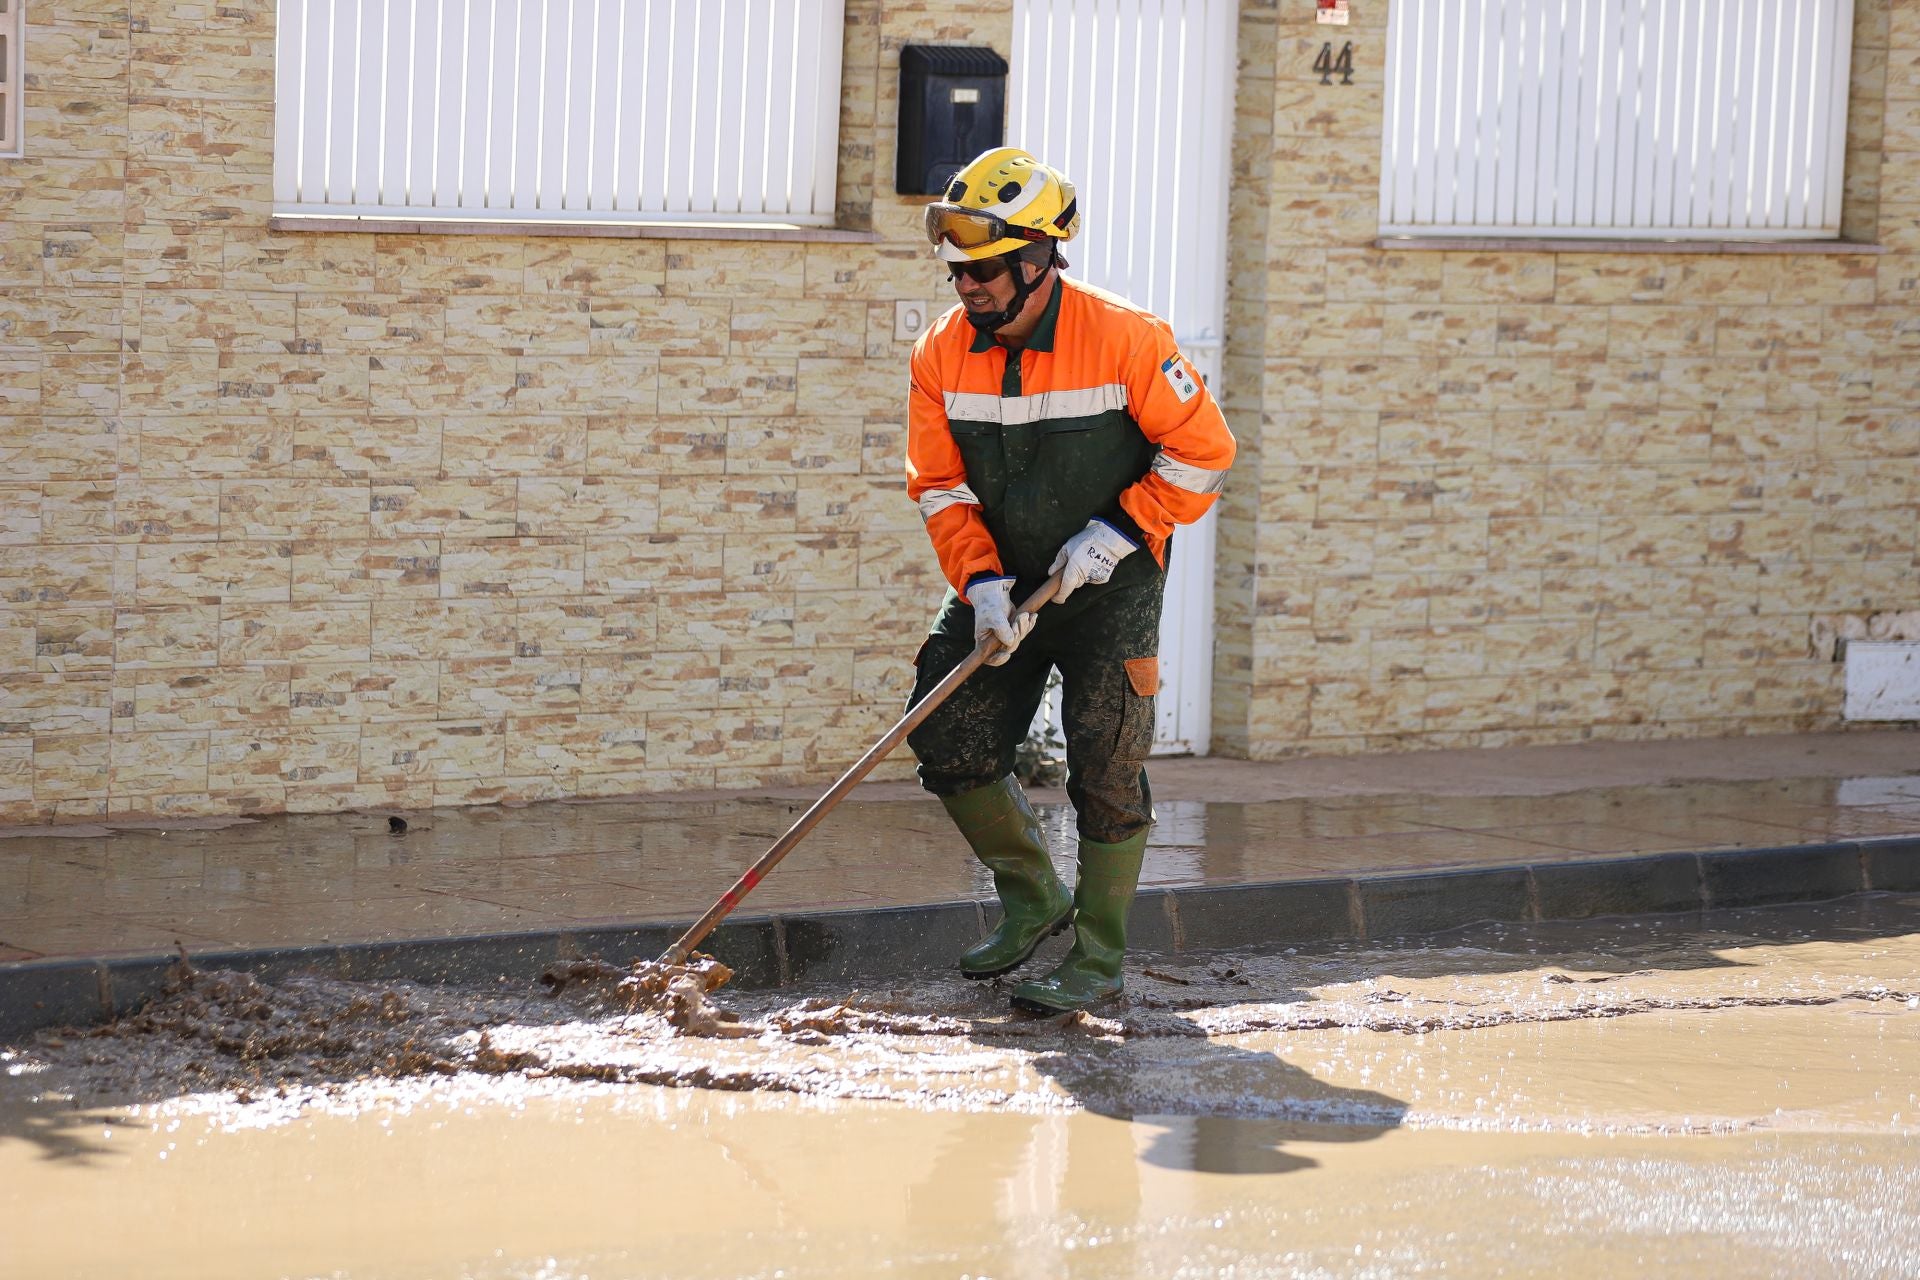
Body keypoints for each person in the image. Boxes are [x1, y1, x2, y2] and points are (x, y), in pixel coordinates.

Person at [903, 147, 1236, 1013]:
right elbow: (940, 486)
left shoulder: (1128, 336)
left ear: (1040, 257)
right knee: (946, 735)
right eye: (958, 268)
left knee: (1107, 769)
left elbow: (1204, 453)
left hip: (1109, 585)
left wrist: (1122, 530)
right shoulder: (940, 352)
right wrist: (978, 583)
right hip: (1005, 582)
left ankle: (1097, 958)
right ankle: (1032, 899)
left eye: (983, 267)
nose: (967, 284)